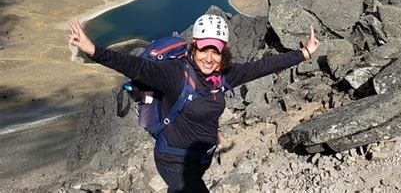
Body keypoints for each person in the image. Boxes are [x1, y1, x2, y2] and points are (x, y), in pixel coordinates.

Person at [68, 14, 320, 192]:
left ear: (224, 52)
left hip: (201, 157)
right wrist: (93, 50)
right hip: (173, 160)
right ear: (193, 48)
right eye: (203, 49)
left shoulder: (224, 75)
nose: (209, 58)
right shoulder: (175, 74)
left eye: (216, 51)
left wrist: (303, 54)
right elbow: (135, 66)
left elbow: (262, 67)